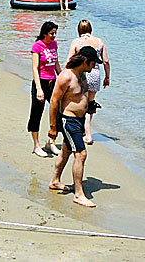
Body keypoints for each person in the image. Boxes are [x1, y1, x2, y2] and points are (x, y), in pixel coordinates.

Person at [48, 46, 100, 208]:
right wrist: (52, 127)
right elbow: (54, 101)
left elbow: (81, 95)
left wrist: (90, 105)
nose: (93, 67)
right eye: (92, 64)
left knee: (66, 150)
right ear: (85, 61)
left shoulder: (82, 75)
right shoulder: (66, 76)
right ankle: (79, 194)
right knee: (81, 154)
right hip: (68, 120)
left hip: (79, 119)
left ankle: (55, 181)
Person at [67, 20, 110, 145]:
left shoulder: (76, 42)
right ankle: (86, 130)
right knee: (90, 104)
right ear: (90, 29)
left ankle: (87, 134)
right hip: (95, 73)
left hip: (83, 73)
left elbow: (70, 59)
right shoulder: (99, 42)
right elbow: (106, 61)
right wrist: (107, 77)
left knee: (81, 103)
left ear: (79, 30)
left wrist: (66, 75)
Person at [29, 21, 61, 158]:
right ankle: (36, 145)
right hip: (40, 82)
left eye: (55, 33)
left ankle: (51, 142)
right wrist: (39, 89)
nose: (54, 36)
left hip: (52, 82)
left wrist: (63, 78)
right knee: (37, 112)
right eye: (52, 33)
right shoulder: (37, 46)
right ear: (45, 34)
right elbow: (35, 69)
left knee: (58, 111)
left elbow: (56, 64)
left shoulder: (54, 44)